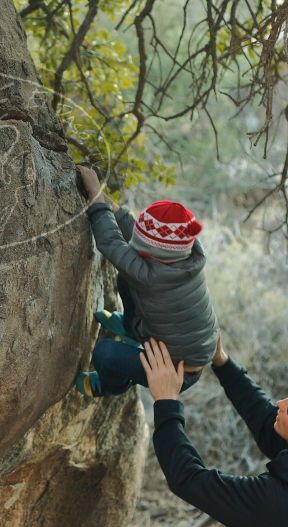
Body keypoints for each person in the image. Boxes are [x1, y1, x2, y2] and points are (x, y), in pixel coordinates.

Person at [140, 335, 288, 527]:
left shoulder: (276, 502)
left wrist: (166, 402)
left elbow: (188, 479)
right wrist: (222, 361)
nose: (280, 403)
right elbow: (263, 417)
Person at [73, 165, 219, 397]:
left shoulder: (153, 277)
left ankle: (109, 386)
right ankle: (132, 330)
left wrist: (95, 194)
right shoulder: (188, 254)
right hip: (183, 343)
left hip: (177, 372)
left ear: (156, 252)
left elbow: (110, 243)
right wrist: (110, 202)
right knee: (125, 279)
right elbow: (143, 237)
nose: (136, 244)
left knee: (104, 354)